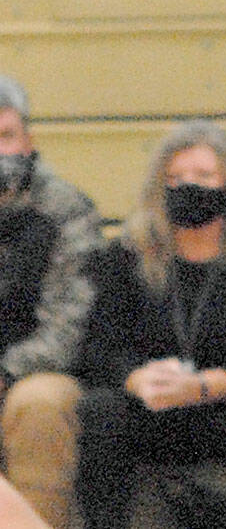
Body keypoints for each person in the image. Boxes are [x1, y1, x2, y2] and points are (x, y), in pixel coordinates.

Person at [73, 120, 226, 529]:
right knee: (100, 409)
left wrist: (202, 386)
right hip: (153, 406)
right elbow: (98, 349)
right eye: (175, 178)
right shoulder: (126, 253)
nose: (188, 187)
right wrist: (139, 380)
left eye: (204, 176)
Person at [0, 75, 100, 529]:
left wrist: (6, 372)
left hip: (39, 373)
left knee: (38, 404)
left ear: (29, 140)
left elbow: (69, 326)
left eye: (6, 135)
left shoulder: (66, 209)